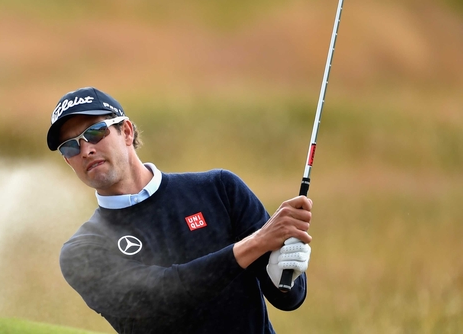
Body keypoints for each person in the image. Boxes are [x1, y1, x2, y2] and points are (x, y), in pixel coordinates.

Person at [46, 87, 312, 333]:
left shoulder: (219, 189)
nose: (86, 150)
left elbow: (290, 298)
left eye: (94, 133)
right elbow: (159, 298)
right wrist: (255, 244)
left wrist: (282, 269)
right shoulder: (81, 251)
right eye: (70, 146)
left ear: (126, 131)